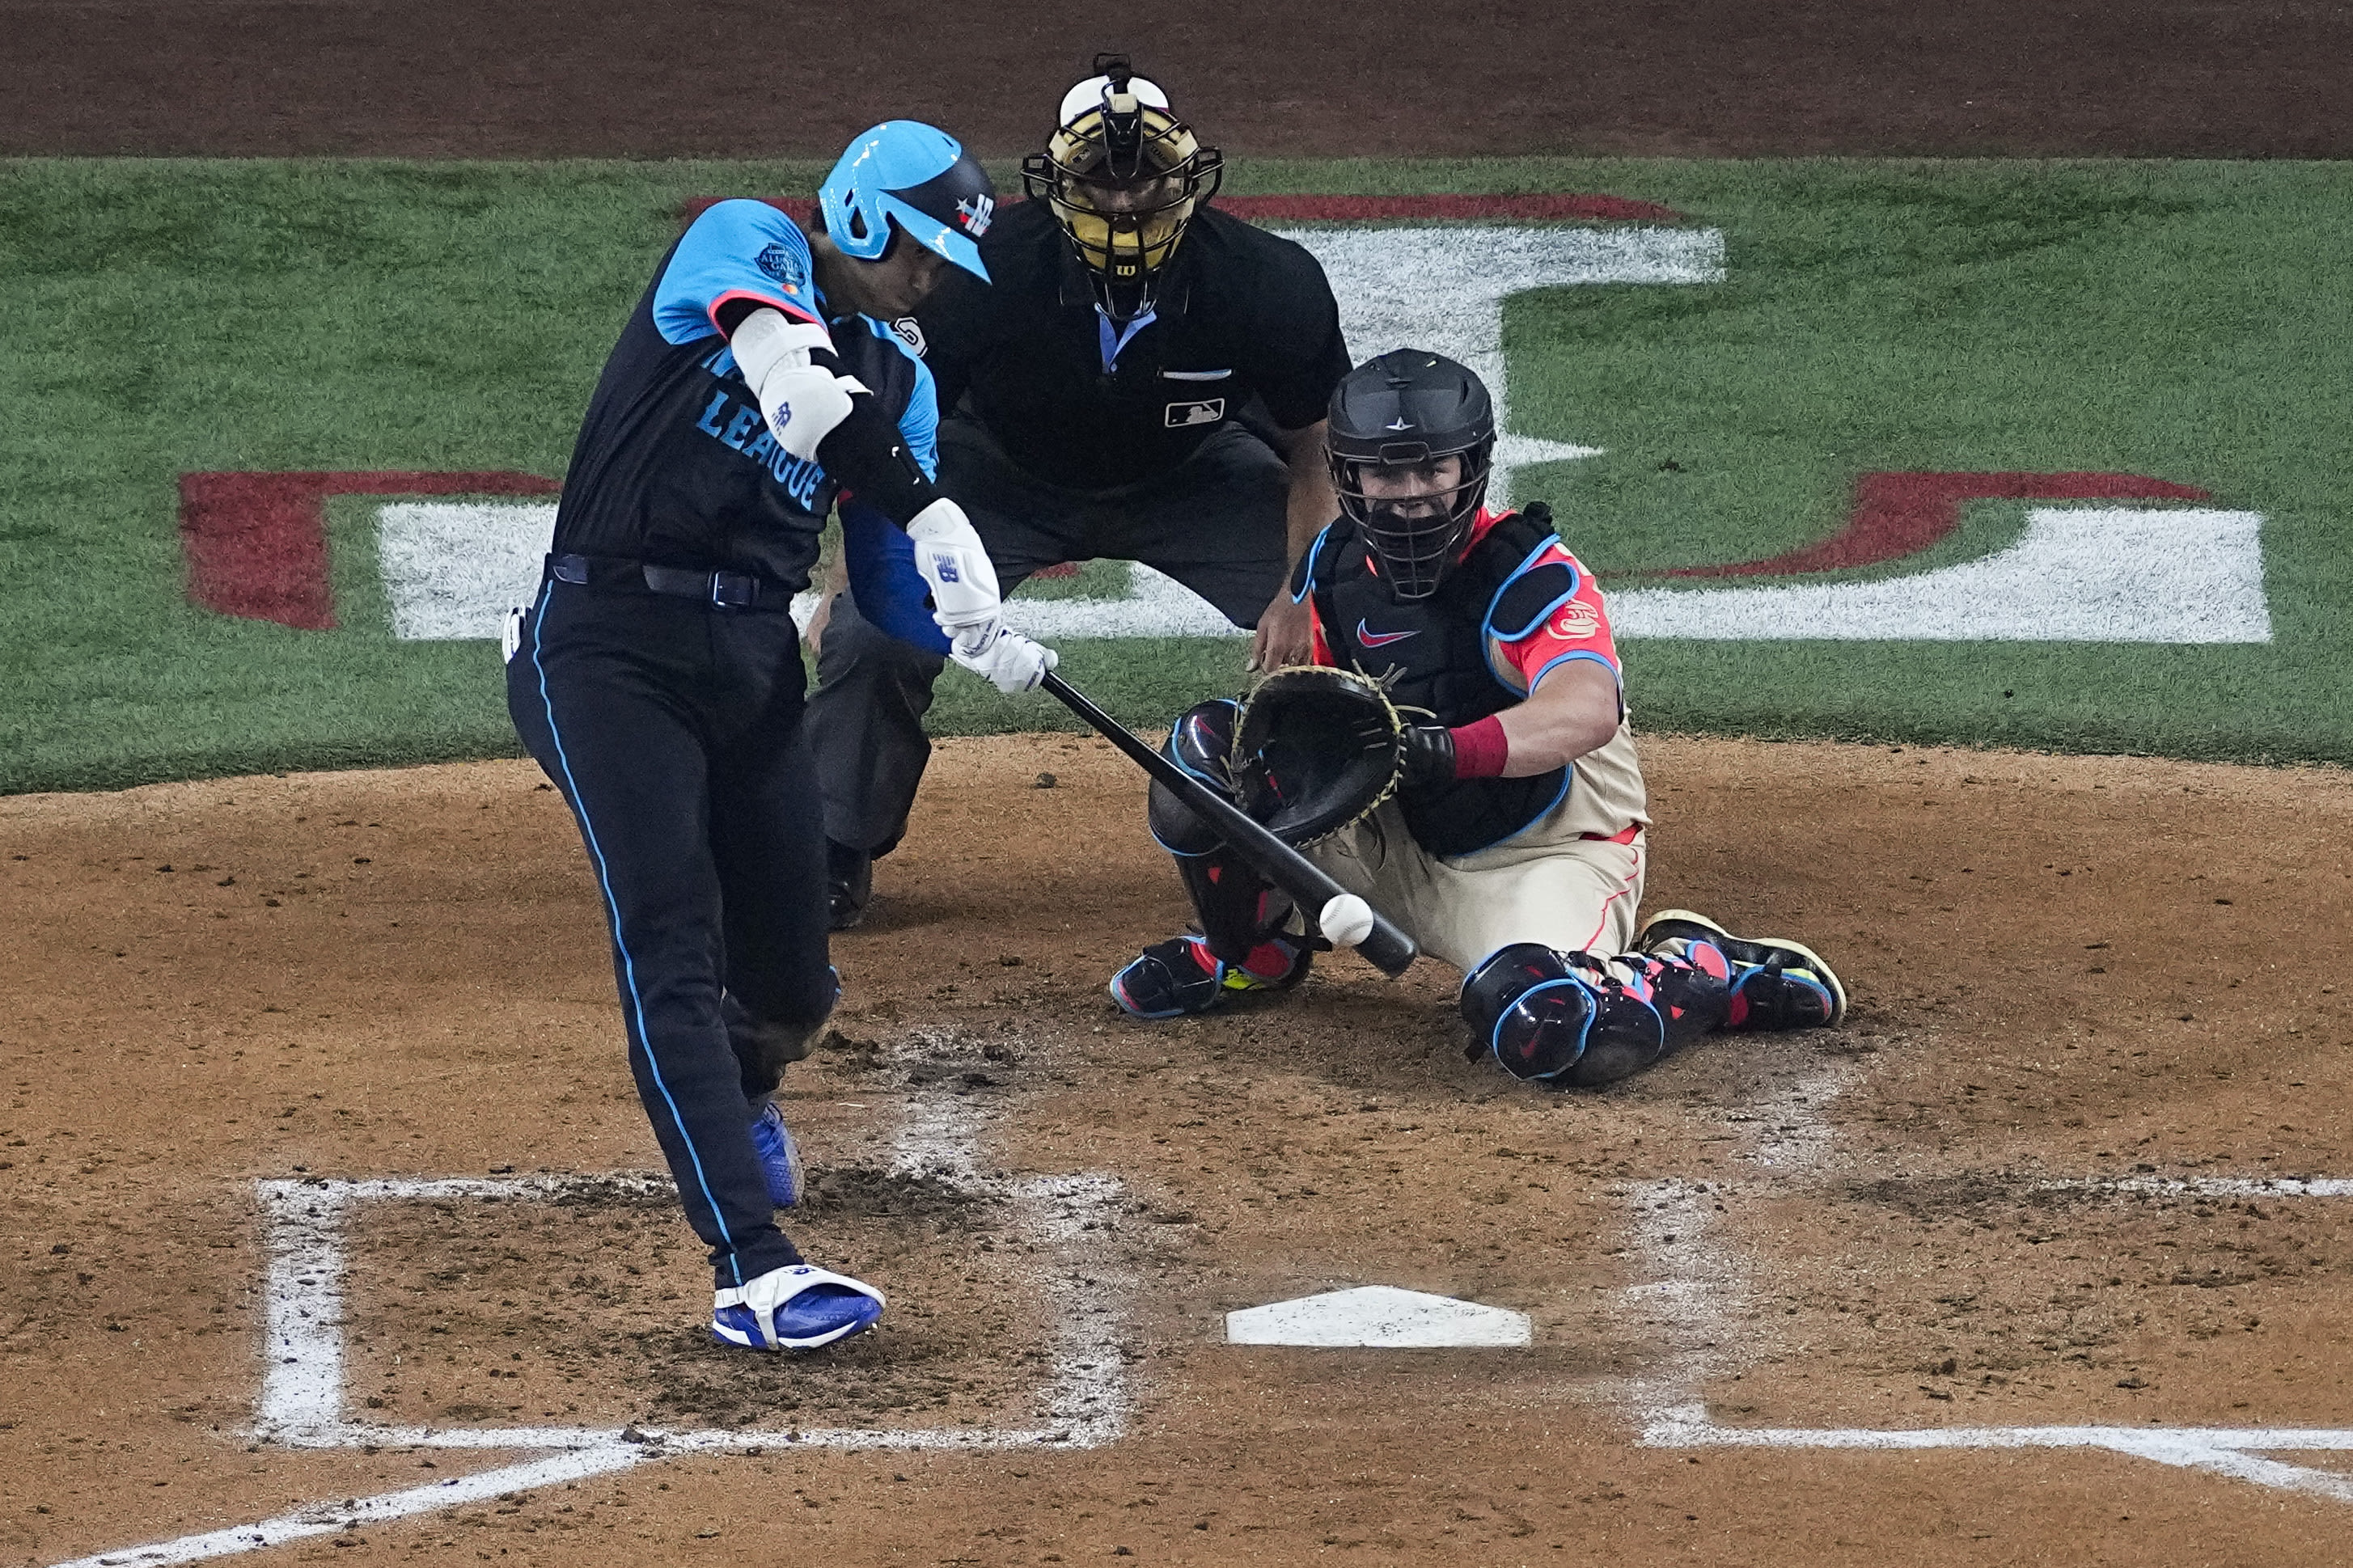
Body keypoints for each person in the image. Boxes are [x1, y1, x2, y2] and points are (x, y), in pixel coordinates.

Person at [505, 122, 1055, 1352]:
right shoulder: (742, 240)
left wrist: (978, 629)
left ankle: (743, 1086)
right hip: (605, 645)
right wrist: (934, 502)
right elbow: (798, 396)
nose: (926, 283)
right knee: (671, 938)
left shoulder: (903, 384)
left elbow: (889, 585)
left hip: (749, 660)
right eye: (916, 254)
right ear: (860, 219)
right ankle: (751, 1265)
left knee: (795, 981)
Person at [1107, 349, 1846, 1087]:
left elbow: (1584, 707)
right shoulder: (1327, 566)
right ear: (1348, 476)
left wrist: (1441, 750)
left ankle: (1702, 969)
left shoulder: (1531, 573)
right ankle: (1250, 950)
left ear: (1472, 467)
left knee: (1549, 1025)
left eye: (1432, 470)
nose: (1411, 497)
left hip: (1537, 853)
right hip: (1395, 837)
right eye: (1387, 475)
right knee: (1199, 763)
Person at [805, 55, 1352, 928]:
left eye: (1146, 178)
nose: (1126, 200)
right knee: (873, 632)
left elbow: (1314, 440)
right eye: (1101, 178)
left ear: (1186, 176)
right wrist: (846, 578)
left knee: (1352, 615)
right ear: (1057, 181)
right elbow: (885, 428)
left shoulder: (1264, 279)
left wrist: (1301, 589)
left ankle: (1363, 833)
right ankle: (832, 848)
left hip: (1192, 476)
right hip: (1000, 474)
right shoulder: (977, 274)